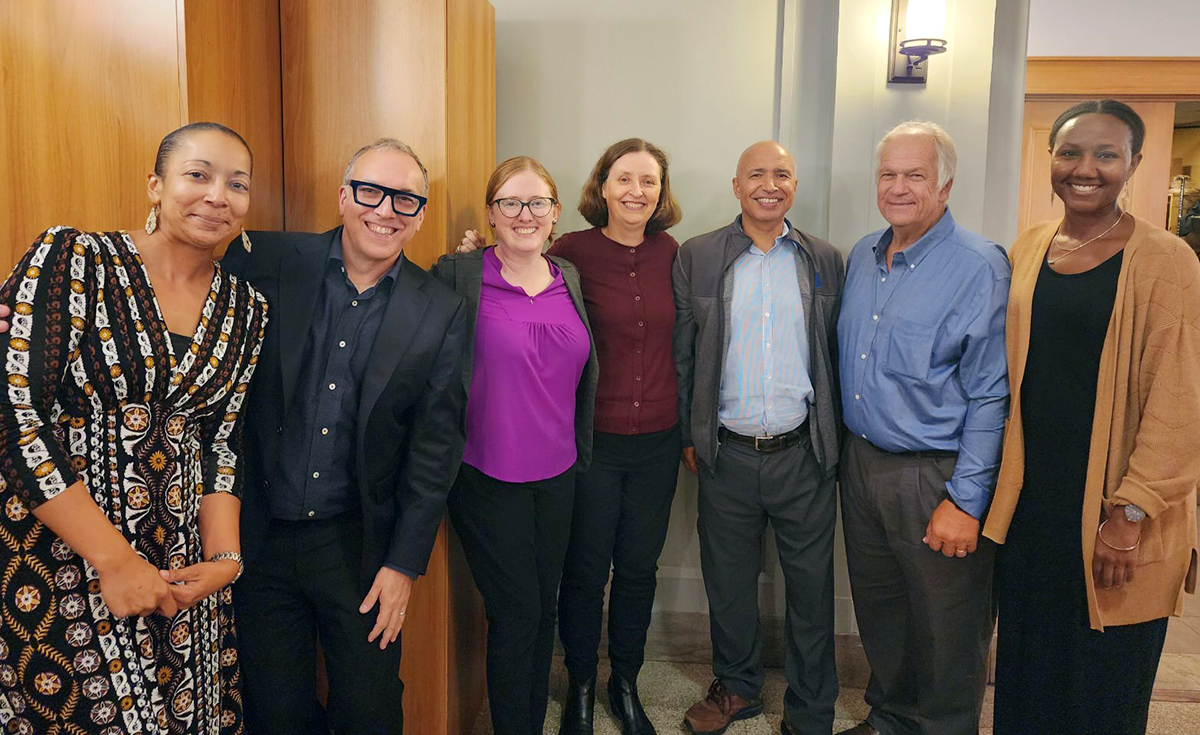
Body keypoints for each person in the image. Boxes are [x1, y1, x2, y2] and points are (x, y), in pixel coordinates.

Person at [0, 122, 267, 734]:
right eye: (197, 174)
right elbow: (18, 413)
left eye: (237, 183)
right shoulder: (74, 258)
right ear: (155, 185)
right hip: (64, 553)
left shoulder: (247, 309)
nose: (217, 195)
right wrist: (114, 561)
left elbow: (220, 440)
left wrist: (224, 559)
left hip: (180, 565)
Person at [223, 139, 469, 734]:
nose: (386, 210)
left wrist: (404, 566)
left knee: (371, 710)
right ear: (343, 196)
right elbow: (170, 281)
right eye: (371, 191)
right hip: (257, 537)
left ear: (421, 213)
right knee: (276, 712)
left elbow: (434, 452)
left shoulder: (440, 309)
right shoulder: (266, 259)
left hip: (360, 547)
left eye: (406, 199)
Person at [984, 100, 1200, 735]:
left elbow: (1179, 399)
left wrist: (1130, 513)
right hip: (1032, 505)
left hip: (1112, 506)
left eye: (1107, 154)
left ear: (1133, 164)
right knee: (1028, 674)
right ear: (1050, 159)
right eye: (1070, 152)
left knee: (1103, 685)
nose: (1086, 168)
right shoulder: (1028, 247)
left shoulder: (1166, 260)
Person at [458, 138, 683, 735]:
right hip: (587, 446)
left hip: (645, 442)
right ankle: (580, 682)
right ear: (600, 188)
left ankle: (625, 682)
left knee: (636, 568)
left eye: (649, 182)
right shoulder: (568, 254)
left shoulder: (670, 255)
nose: (637, 191)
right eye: (624, 179)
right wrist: (465, 259)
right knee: (581, 573)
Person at [836, 122, 1010, 735]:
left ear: (945, 185)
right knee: (882, 612)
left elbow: (992, 393)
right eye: (889, 174)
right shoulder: (862, 255)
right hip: (861, 466)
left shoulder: (980, 266)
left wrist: (966, 500)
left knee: (947, 624)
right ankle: (890, 719)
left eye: (916, 175)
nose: (899, 187)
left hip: (934, 473)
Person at [673, 141, 844, 735]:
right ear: (736, 184)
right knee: (728, 583)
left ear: (794, 185)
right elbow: (684, 354)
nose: (769, 184)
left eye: (782, 174)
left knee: (812, 589)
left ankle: (811, 706)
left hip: (803, 453)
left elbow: (836, 356)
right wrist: (691, 434)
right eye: (757, 174)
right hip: (726, 453)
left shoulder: (823, 258)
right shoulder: (699, 255)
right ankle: (738, 688)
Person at [433, 156, 599, 735]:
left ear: (555, 215)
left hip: (559, 475)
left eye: (536, 203)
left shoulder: (567, 279)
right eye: (510, 202)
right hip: (486, 477)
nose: (524, 214)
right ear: (491, 214)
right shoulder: (457, 276)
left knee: (543, 609)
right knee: (516, 613)